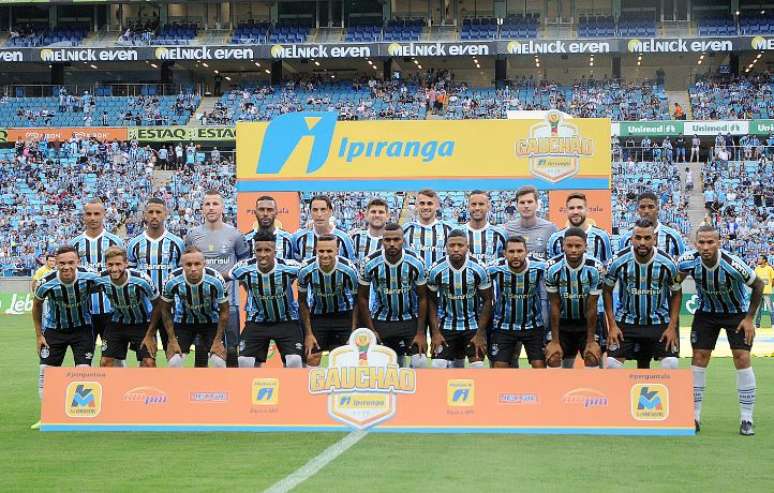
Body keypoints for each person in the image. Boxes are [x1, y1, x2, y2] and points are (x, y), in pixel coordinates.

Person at [677, 226, 764, 435]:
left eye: (710, 242)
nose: (706, 247)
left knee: (742, 357)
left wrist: (749, 319)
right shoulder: (687, 261)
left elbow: (759, 285)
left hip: (736, 313)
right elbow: (674, 283)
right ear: (695, 243)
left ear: (719, 242)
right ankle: (694, 417)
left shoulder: (732, 264)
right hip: (706, 313)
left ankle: (746, 418)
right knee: (699, 357)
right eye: (701, 242)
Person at [31, 246, 101, 429]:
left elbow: (108, 286)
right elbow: (36, 306)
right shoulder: (45, 282)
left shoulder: (90, 276)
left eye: (71, 262)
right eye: (62, 263)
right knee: (46, 372)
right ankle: (47, 416)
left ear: (77, 262)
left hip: (82, 329)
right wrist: (39, 336)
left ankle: (82, 416)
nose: (66, 267)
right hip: (54, 331)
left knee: (84, 371)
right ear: (56, 264)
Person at [604, 219, 682, 370]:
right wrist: (612, 325)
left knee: (671, 363)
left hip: (659, 322)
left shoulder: (668, 263)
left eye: (647, 238)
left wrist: (672, 327)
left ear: (654, 239)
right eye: (638, 238)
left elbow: (677, 293)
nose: (642, 242)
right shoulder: (617, 260)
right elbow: (606, 291)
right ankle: (620, 394)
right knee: (612, 364)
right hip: (627, 321)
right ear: (631, 239)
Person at [185, 190, 250, 367]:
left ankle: (234, 390)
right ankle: (198, 392)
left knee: (231, 350)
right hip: (201, 305)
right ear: (202, 209)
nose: (211, 208)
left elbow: (244, 265)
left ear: (222, 207)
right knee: (201, 351)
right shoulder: (192, 235)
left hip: (229, 304)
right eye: (207, 204)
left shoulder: (235, 235)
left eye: (215, 204)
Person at [229, 230, 303, 368]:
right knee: (244, 362)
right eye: (259, 250)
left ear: (275, 250)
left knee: (295, 361)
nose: (263, 255)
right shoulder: (244, 268)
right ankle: (247, 389)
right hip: (257, 322)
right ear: (254, 251)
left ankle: (292, 389)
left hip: (286, 321)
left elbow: (309, 272)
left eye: (267, 250)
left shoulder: (289, 267)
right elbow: (224, 277)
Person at [358, 223, 428, 368]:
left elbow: (423, 298)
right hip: (382, 321)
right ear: (382, 240)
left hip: (409, 320)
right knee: (383, 366)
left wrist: (421, 332)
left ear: (403, 240)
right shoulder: (369, 262)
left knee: (420, 363)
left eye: (396, 240)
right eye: (387, 240)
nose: (392, 244)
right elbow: (362, 298)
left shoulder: (416, 262)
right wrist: (371, 329)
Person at [147, 247, 227, 368]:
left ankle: (219, 386)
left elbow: (225, 310)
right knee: (174, 362)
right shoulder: (171, 280)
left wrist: (217, 340)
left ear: (204, 264)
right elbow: (165, 310)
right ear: (182, 265)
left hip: (211, 322)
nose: (193, 268)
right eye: (188, 264)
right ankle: (177, 387)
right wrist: (172, 339)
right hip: (183, 323)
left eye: (197, 264)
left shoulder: (216, 279)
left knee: (219, 362)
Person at [426, 230, 493, 369]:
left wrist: (480, 334)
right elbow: (431, 301)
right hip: (446, 326)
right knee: (438, 365)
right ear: (446, 247)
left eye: (460, 245)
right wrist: (435, 333)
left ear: (467, 247)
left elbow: (488, 301)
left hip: (473, 326)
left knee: (478, 366)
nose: (456, 249)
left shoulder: (479, 268)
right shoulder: (436, 269)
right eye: (452, 245)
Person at [126, 198, 185, 354]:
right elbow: (131, 278)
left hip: (170, 311)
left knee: (174, 358)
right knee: (146, 361)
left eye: (158, 212)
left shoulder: (177, 243)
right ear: (145, 214)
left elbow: (181, 278)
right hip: (144, 312)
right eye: (150, 212)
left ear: (165, 214)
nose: (154, 216)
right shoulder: (134, 243)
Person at [70, 198, 124, 365]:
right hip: (84, 313)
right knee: (84, 361)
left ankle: (120, 390)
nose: (92, 218)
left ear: (104, 215)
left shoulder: (116, 242)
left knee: (115, 360)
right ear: (84, 216)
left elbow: (123, 275)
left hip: (112, 311)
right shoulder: (75, 244)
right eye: (89, 214)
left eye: (96, 214)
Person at [544, 228, 604, 368]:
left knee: (592, 357)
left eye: (578, 246)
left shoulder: (595, 268)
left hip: (586, 322)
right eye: (569, 246)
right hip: (563, 322)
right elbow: (554, 304)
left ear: (585, 246)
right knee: (553, 357)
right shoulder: (551, 268)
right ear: (563, 245)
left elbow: (592, 307)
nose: (573, 250)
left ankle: (592, 388)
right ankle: (555, 389)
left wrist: (590, 341)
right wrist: (554, 341)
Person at [485, 235, 548, 368]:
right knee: (499, 366)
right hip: (504, 326)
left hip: (533, 326)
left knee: (540, 365)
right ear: (504, 253)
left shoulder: (541, 267)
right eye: (511, 251)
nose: (515, 255)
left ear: (526, 252)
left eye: (519, 251)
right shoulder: (494, 268)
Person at [298, 235, 360, 367]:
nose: (325, 255)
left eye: (329, 251)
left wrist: (353, 331)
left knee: (349, 358)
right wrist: (308, 333)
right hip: (318, 316)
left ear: (337, 251)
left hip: (344, 315)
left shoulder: (349, 269)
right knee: (311, 357)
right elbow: (302, 302)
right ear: (316, 250)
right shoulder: (305, 270)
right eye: (321, 251)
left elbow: (357, 301)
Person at [94, 246, 158, 368]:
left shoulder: (141, 279)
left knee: (149, 363)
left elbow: (158, 306)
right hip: (117, 323)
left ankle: (145, 387)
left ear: (126, 263)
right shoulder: (100, 279)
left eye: (118, 264)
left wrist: (151, 334)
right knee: (105, 362)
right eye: (110, 264)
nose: (114, 269)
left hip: (142, 323)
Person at [618, 191, 685, 259]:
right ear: (638, 210)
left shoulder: (674, 236)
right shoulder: (627, 238)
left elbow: (681, 266)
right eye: (642, 207)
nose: (646, 211)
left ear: (658, 209)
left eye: (651, 207)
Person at [293, 195, 356, 262]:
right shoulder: (298, 238)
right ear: (310, 212)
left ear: (330, 212)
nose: (319, 214)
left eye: (323, 210)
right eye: (315, 210)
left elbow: (352, 265)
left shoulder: (344, 239)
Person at [403, 189, 453, 268]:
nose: (426, 207)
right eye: (422, 203)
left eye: (430, 203)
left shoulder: (448, 230)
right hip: (413, 279)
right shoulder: (406, 229)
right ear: (416, 206)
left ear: (437, 206)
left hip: (439, 278)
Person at [504, 186, 557, 260]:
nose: (526, 206)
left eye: (530, 202)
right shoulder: (507, 229)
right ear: (516, 205)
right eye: (522, 202)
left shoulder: (550, 228)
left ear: (537, 204)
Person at [244, 195, 294, 260]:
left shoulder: (288, 239)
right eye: (261, 210)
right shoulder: (246, 240)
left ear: (276, 212)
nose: (265, 213)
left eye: (270, 210)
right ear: (255, 212)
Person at [464, 190, 507, 264]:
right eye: (473, 204)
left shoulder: (501, 233)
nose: (477, 208)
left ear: (488, 207)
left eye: (481, 204)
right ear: (468, 207)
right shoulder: (458, 232)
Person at [350, 198, 389, 267]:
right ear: (366, 215)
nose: (377, 215)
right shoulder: (355, 238)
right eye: (373, 212)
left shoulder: (394, 240)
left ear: (387, 216)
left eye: (381, 212)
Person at [753, 255, 774, 328]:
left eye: (760, 259)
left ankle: (773, 324)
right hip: (758, 292)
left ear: (764, 260)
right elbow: (755, 280)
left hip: (767, 292)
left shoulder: (769, 269)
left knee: (770, 309)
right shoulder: (756, 269)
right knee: (757, 309)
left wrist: (769, 287)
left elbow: (773, 279)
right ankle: (757, 324)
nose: (758, 260)